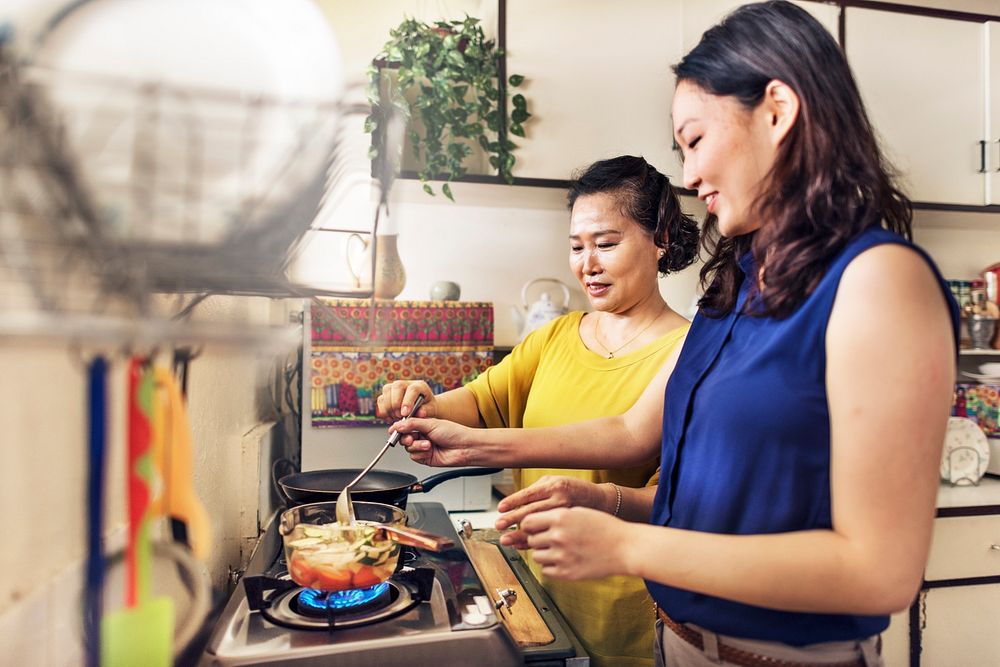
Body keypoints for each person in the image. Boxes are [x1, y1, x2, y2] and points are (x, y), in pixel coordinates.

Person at [388, 3, 959, 666]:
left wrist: (628, 545)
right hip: (678, 642)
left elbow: (878, 570)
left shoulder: (880, 279)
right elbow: (634, 430)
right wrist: (490, 449)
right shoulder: (739, 281)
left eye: (695, 140)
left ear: (777, 110)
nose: (688, 176)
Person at [377, 155, 699, 667]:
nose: (586, 264)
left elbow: (657, 480)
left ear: (660, 238)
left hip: (626, 615)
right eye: (576, 246)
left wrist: (472, 445)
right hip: (531, 592)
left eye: (606, 243)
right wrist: (425, 400)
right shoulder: (555, 336)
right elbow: (482, 402)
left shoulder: (690, 349)